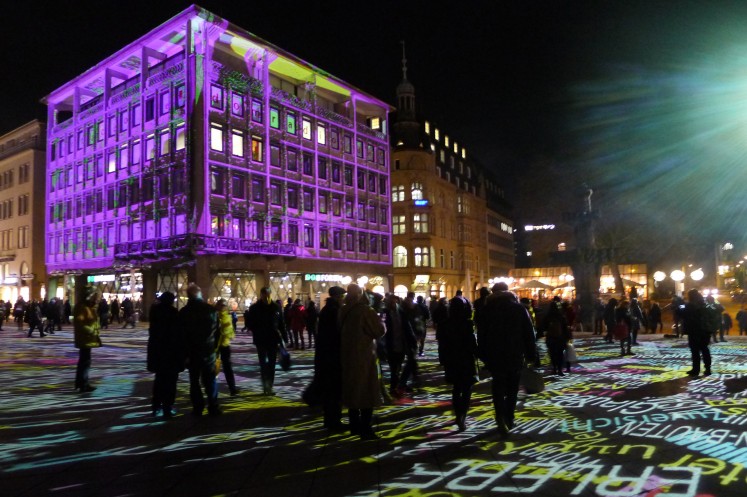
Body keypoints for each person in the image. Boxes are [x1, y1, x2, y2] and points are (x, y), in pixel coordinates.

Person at [477, 282, 537, 436]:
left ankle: (499, 417)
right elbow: (529, 333)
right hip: (514, 352)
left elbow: (481, 334)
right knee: (512, 387)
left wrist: (482, 354)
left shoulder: (486, 309)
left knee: (498, 385)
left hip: (494, 353)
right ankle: (509, 417)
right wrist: (532, 354)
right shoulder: (519, 308)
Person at [340, 283, 385, 440]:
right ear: (360, 294)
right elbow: (379, 330)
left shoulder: (343, 309)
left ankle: (354, 426)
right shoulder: (366, 311)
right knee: (367, 392)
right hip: (364, 356)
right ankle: (366, 429)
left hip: (346, 355)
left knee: (352, 391)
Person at [179, 283, 221, 416]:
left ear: (188, 296)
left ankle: (198, 407)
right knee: (210, 379)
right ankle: (213, 405)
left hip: (192, 352)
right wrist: (215, 349)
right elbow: (217, 332)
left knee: (194, 381)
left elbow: (181, 335)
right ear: (200, 294)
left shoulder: (184, 313)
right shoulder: (210, 310)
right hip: (208, 350)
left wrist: (184, 353)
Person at [440, 291, 478, 431]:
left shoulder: (445, 324)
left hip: (452, 359)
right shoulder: (467, 324)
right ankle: (463, 416)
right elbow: (472, 343)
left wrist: (442, 359)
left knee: (456, 388)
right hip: (466, 359)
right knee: (467, 389)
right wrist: (479, 354)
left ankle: (458, 415)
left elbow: (442, 344)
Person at [147, 292, 183, 418]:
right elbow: (177, 334)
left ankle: (156, 407)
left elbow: (153, 333)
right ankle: (168, 407)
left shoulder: (154, 311)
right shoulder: (173, 312)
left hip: (158, 351)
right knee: (171, 381)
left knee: (159, 380)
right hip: (171, 352)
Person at [314, 286, 346, 431]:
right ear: (337, 297)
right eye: (342, 297)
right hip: (331, 356)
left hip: (325, 356)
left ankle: (331, 421)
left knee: (330, 391)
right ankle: (334, 422)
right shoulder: (333, 311)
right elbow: (336, 335)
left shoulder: (327, 310)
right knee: (334, 391)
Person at [247, 287, 285, 395]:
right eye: (265, 294)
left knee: (272, 364)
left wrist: (284, 338)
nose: (267, 296)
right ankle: (266, 386)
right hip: (261, 339)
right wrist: (257, 329)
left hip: (273, 339)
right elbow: (250, 323)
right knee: (263, 364)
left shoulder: (276, 307)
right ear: (261, 294)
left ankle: (270, 386)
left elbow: (281, 323)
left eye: (268, 294)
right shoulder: (254, 308)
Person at [383, 294, 417, 397]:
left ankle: (399, 385)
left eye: (395, 302)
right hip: (390, 344)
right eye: (391, 302)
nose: (393, 304)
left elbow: (407, 327)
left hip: (402, 343)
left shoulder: (401, 312)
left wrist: (412, 340)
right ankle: (394, 388)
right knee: (394, 367)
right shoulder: (385, 313)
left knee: (400, 365)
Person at [74, 287, 102, 392]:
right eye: (95, 297)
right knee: (84, 362)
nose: (96, 299)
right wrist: (90, 330)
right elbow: (79, 323)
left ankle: (82, 383)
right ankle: (82, 384)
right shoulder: (82, 307)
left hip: (89, 338)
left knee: (85, 361)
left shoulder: (90, 307)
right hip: (85, 338)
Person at [683, 289, 711, 376]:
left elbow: (683, 314)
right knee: (704, 349)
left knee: (695, 351)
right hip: (705, 330)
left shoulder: (690, 305)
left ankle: (696, 369)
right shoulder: (704, 304)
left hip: (694, 330)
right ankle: (708, 369)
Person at [541, 297, 571, 375]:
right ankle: (560, 369)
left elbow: (543, 327)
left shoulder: (547, 316)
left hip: (551, 338)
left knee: (552, 353)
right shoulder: (561, 316)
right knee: (560, 353)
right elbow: (565, 327)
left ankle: (554, 368)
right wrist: (568, 337)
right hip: (560, 338)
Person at [215, 299, 238, 396]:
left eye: (223, 305)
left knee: (227, 367)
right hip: (217, 345)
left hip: (223, 345)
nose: (222, 307)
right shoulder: (216, 316)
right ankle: (214, 391)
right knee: (217, 368)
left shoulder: (226, 317)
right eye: (221, 305)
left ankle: (232, 388)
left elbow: (231, 332)